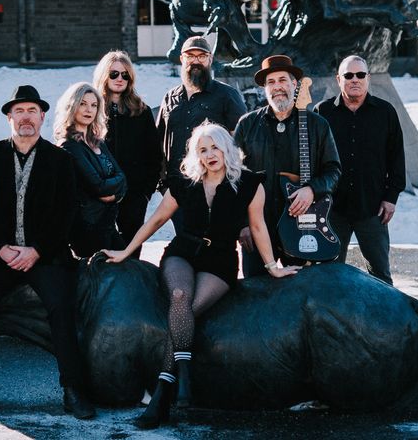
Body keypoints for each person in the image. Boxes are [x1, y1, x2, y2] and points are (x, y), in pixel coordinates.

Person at [102, 122, 300, 429]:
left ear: (227, 148)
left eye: (215, 147)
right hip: (182, 254)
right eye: (203, 149)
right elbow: (156, 220)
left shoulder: (250, 184)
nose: (210, 155)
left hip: (220, 261)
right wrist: (127, 251)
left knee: (189, 311)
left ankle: (162, 392)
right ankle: (182, 372)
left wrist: (273, 266)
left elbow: (258, 227)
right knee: (180, 297)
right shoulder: (184, 183)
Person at [0, 85, 95, 419]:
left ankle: (73, 391)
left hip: (44, 256)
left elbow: (66, 211)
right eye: (19, 111)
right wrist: (0, 248)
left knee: (62, 310)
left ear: (42, 117)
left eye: (31, 111)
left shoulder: (60, 160)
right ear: (9, 118)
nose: (25, 117)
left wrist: (37, 251)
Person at [234, 55, 342, 277]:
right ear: (265, 89)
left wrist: (312, 190)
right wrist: (242, 223)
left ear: (294, 84)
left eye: (282, 80)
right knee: (256, 290)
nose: (277, 87)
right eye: (271, 82)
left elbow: (333, 170)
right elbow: (234, 175)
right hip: (258, 227)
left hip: (302, 224)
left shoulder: (318, 125)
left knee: (304, 290)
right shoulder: (247, 125)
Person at [314, 55, 405, 285]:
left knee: (381, 277)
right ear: (339, 79)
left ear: (368, 78)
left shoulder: (385, 112)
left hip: (373, 209)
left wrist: (391, 197)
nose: (355, 79)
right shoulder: (322, 112)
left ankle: (383, 312)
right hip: (332, 210)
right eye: (348, 75)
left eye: (360, 74)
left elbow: (396, 159)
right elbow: (313, 160)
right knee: (329, 277)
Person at [93, 51, 162, 258]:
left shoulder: (141, 111)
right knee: (98, 249)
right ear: (104, 75)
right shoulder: (91, 109)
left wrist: (146, 192)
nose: (120, 79)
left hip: (134, 194)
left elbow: (154, 154)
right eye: (114, 74)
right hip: (99, 194)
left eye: (125, 75)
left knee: (130, 251)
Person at [156, 36, 247, 191]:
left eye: (202, 56)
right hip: (175, 186)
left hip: (212, 186)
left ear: (210, 59)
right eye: (190, 56)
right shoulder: (169, 97)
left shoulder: (227, 95)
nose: (196, 61)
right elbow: (158, 141)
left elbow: (241, 142)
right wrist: (162, 181)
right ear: (182, 59)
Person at [54, 82, 127, 257]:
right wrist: (115, 187)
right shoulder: (69, 146)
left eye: (94, 105)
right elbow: (98, 187)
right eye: (83, 104)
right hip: (87, 227)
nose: (89, 110)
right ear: (72, 106)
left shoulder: (98, 142)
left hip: (107, 224)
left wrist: (115, 195)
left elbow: (123, 178)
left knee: (126, 263)